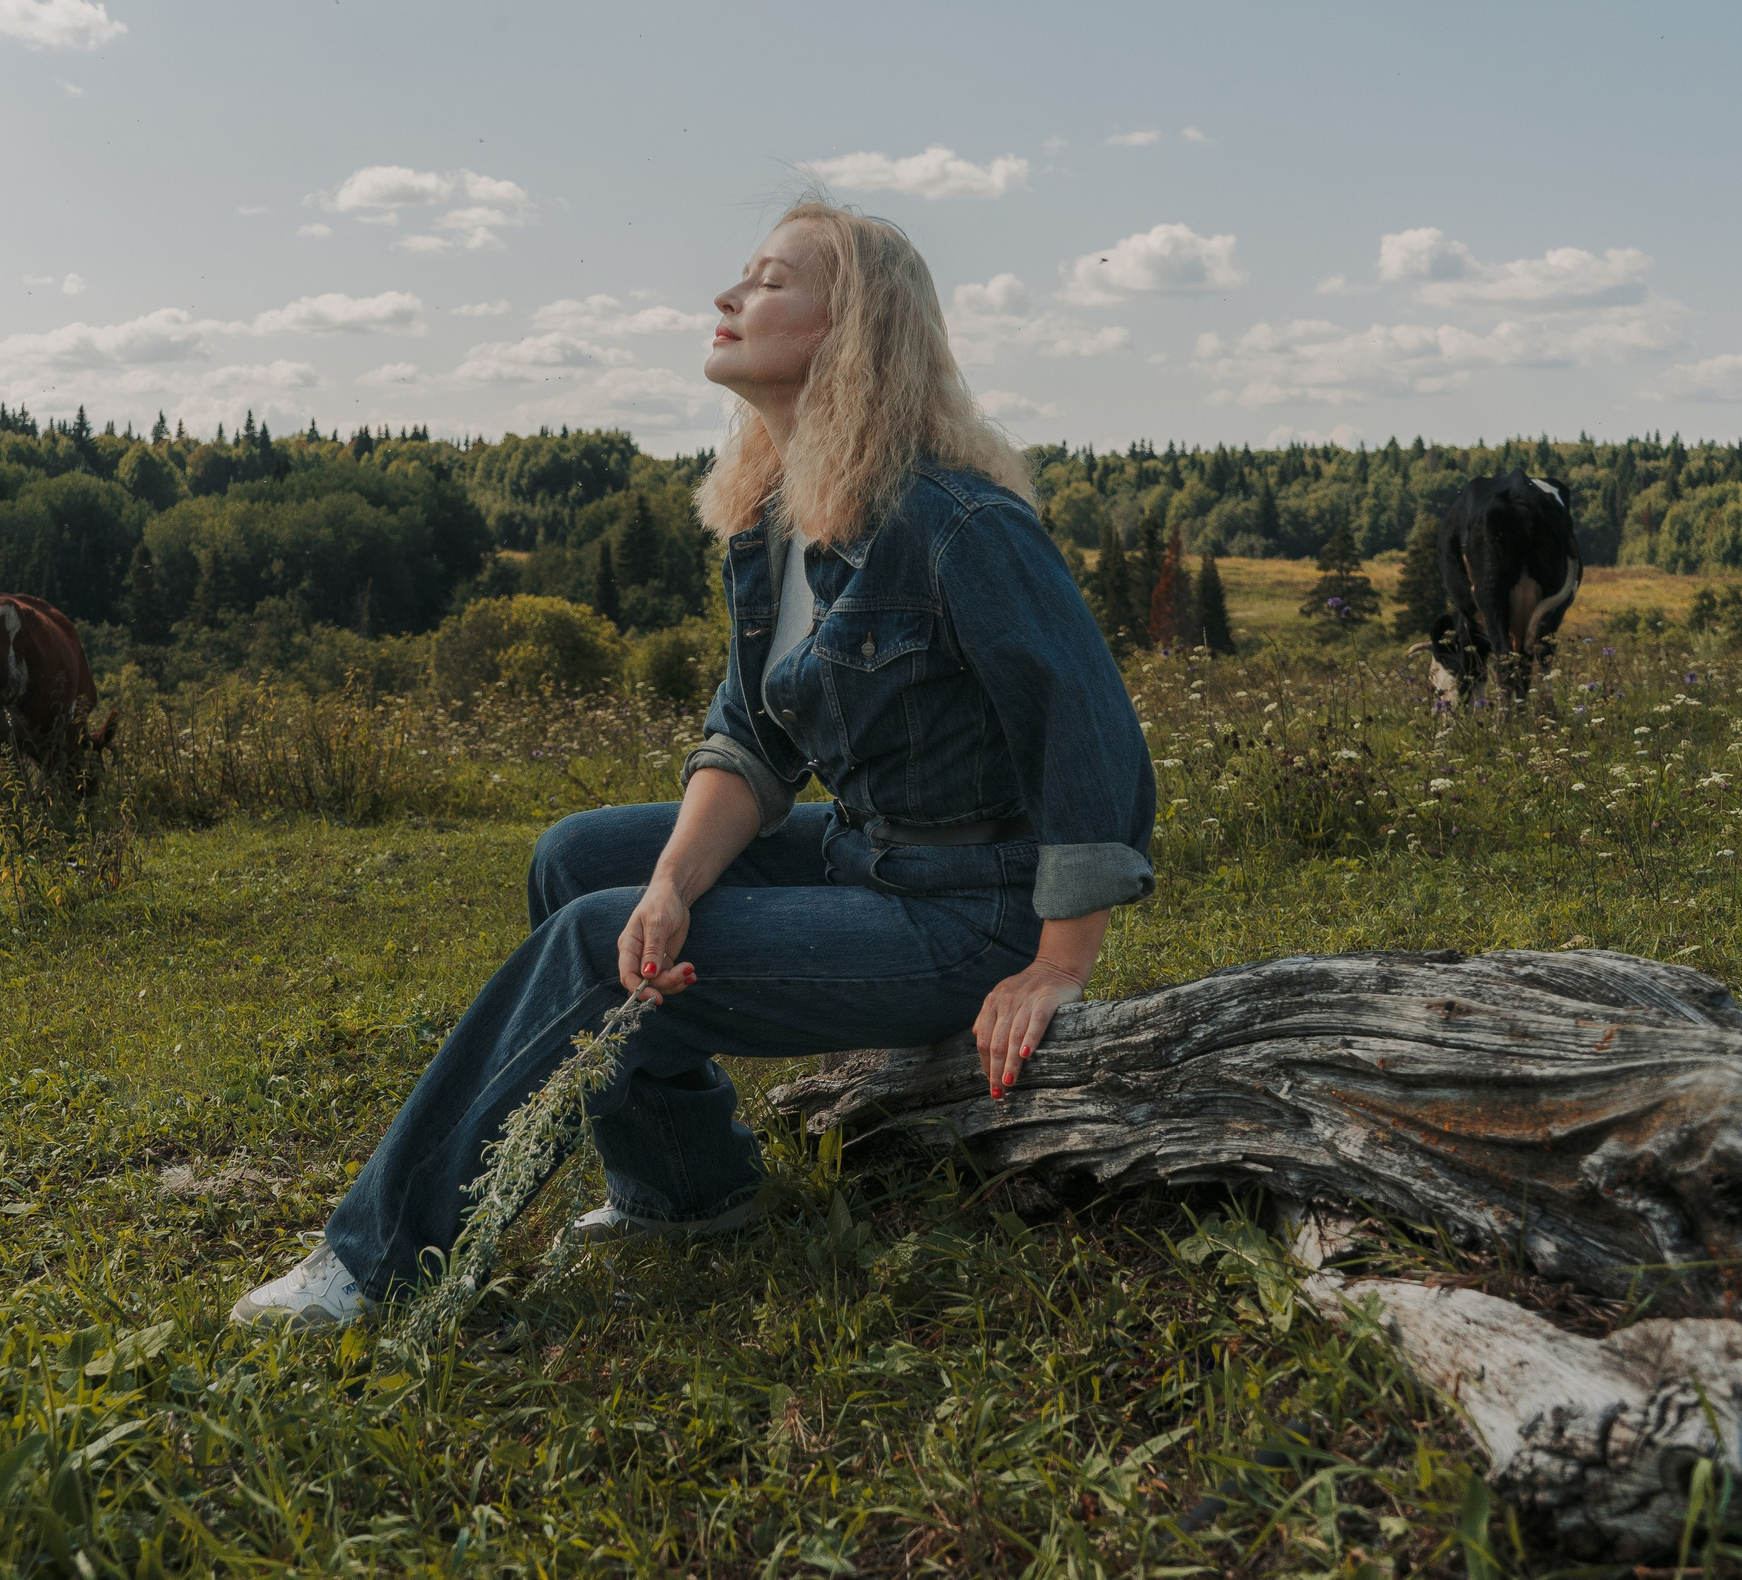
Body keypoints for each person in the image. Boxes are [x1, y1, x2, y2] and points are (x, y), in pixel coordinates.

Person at [233, 198, 1156, 1328]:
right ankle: (684, 1188)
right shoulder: (778, 517)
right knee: (584, 864)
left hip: (972, 912)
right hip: (868, 858)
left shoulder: (957, 523)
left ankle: (375, 1264)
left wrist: (1056, 963)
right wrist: (670, 886)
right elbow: (750, 738)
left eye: (768, 281)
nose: (728, 298)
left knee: (586, 950)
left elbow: (1088, 732)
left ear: (849, 330)